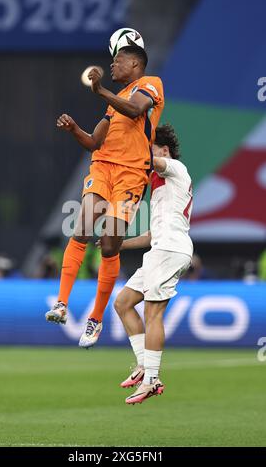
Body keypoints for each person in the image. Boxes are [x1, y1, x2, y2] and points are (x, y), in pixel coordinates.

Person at [45, 46, 164, 349]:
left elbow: (136, 110)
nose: (112, 65)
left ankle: (95, 318)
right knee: (83, 226)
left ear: (136, 63)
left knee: (110, 243)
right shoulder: (113, 106)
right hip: (103, 169)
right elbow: (94, 142)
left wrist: (100, 91)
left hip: (132, 175)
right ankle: (61, 303)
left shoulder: (149, 84)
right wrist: (73, 129)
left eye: (118, 60)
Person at [113, 124, 193, 405]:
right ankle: (143, 366)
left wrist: (126, 145)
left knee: (153, 314)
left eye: (149, 146)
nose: (146, 152)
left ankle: (151, 379)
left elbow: (148, 161)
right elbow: (150, 236)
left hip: (170, 249)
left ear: (164, 150)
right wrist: (118, 244)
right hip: (161, 248)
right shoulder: (161, 188)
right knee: (123, 302)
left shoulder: (174, 168)